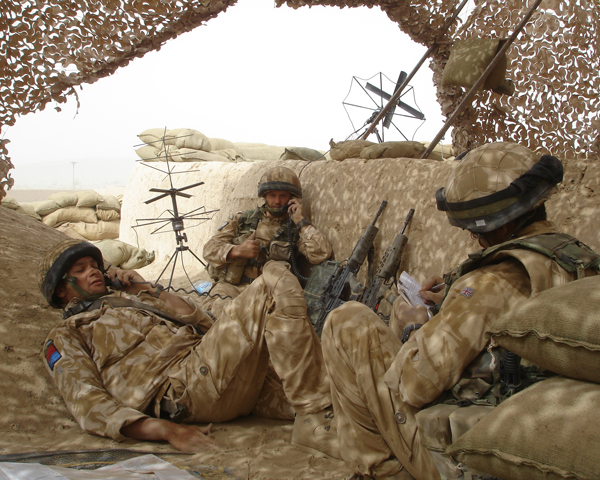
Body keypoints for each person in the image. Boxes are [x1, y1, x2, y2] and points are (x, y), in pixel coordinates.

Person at [320, 142, 600, 479]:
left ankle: (382, 469)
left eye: (473, 229)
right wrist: (452, 300)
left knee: (346, 321)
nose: (471, 236)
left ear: (498, 224)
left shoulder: (491, 283)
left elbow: (412, 386)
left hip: (465, 454)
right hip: (537, 422)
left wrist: (417, 331)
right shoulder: (575, 257)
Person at [38, 239, 339, 457]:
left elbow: (202, 322)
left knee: (338, 397)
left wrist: (146, 289)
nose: (93, 272)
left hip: (220, 373)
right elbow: (87, 401)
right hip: (184, 389)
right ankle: (312, 416)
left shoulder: (134, 300)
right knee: (273, 275)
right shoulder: (68, 333)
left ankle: (321, 411)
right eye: (80, 269)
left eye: (94, 266)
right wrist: (167, 431)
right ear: (62, 289)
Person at [203, 166, 332, 317]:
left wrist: (301, 222)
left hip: (269, 295)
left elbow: (321, 254)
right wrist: (238, 250)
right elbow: (209, 249)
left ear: (292, 198)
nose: (277, 201)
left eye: (283, 196)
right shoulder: (242, 219)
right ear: (264, 196)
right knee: (218, 312)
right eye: (272, 195)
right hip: (234, 287)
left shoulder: (295, 229)